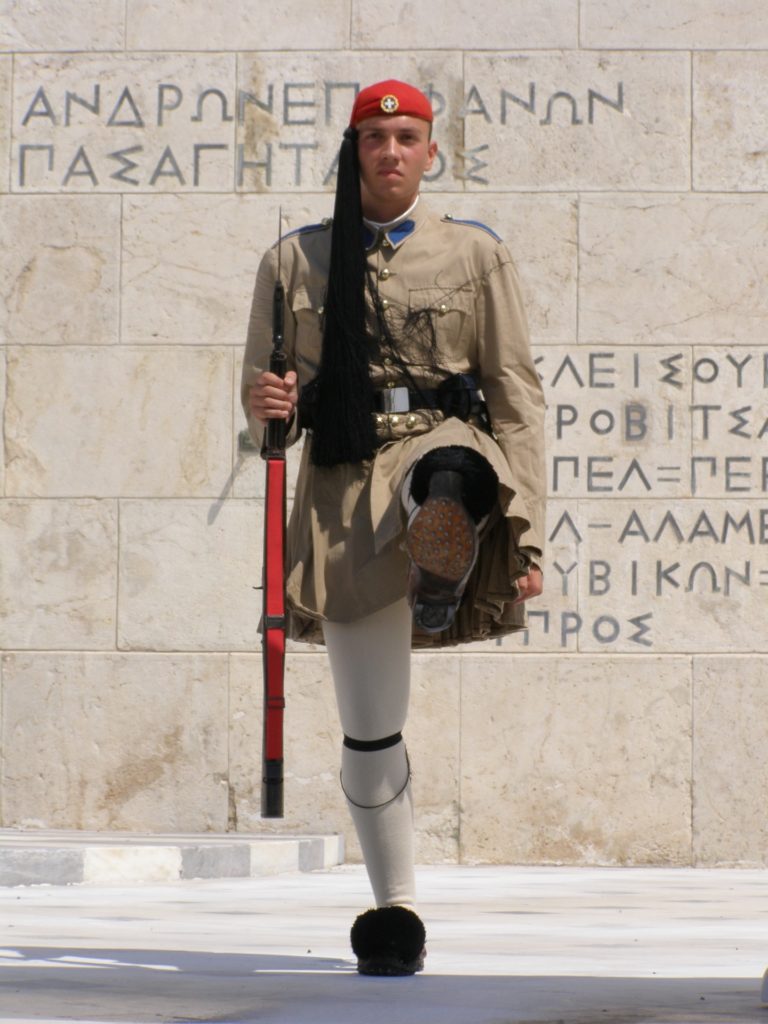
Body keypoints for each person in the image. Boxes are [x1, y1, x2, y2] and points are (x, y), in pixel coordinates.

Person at [242, 79, 546, 975]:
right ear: (354, 152)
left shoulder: (475, 256)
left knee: (450, 468)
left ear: (431, 152)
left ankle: (444, 545)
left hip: (438, 443)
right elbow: (270, 421)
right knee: (371, 724)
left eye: (408, 136)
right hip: (342, 486)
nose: (391, 151)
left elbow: (516, 399)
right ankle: (394, 909)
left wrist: (527, 535)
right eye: (376, 138)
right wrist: (266, 407)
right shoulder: (295, 260)